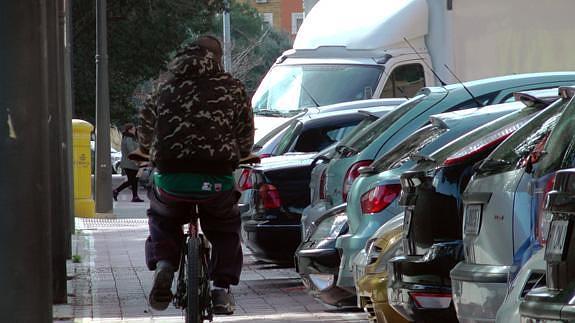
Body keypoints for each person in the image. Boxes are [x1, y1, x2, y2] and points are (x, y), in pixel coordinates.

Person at [137, 35, 255, 315]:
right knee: (225, 228)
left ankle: (165, 262)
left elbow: (144, 130)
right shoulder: (233, 87)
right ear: (217, 58)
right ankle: (220, 289)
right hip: (215, 179)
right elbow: (245, 134)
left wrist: (146, 148)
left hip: (171, 177)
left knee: (162, 217)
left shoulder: (162, 86)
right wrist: (240, 152)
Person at [113, 123, 144, 202]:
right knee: (132, 180)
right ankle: (116, 191)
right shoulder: (128, 138)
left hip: (132, 163)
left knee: (134, 180)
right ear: (129, 130)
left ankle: (135, 196)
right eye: (134, 129)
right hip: (130, 163)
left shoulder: (131, 138)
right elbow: (131, 150)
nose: (135, 131)